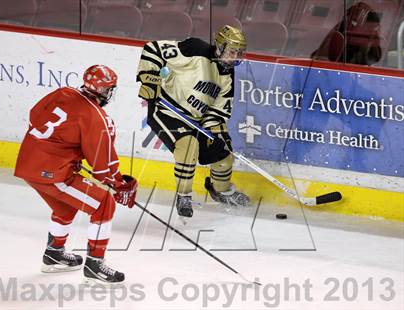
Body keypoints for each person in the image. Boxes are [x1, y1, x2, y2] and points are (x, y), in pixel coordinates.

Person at [14, 65, 137, 286]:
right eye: (110, 89)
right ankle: (95, 266)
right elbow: (102, 165)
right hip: (53, 173)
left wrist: (66, 151)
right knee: (104, 203)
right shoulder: (96, 116)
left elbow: (34, 116)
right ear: (105, 90)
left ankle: (54, 254)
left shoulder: (62, 93)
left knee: (65, 206)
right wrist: (119, 184)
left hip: (28, 164)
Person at [136, 25, 250, 218]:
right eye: (232, 51)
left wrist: (214, 129)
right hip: (167, 111)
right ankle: (184, 196)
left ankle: (221, 190)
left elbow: (220, 108)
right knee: (188, 147)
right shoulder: (195, 49)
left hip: (197, 120)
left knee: (223, 154)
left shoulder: (227, 73)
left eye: (239, 53)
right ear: (220, 47)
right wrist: (149, 80)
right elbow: (153, 48)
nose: (235, 57)